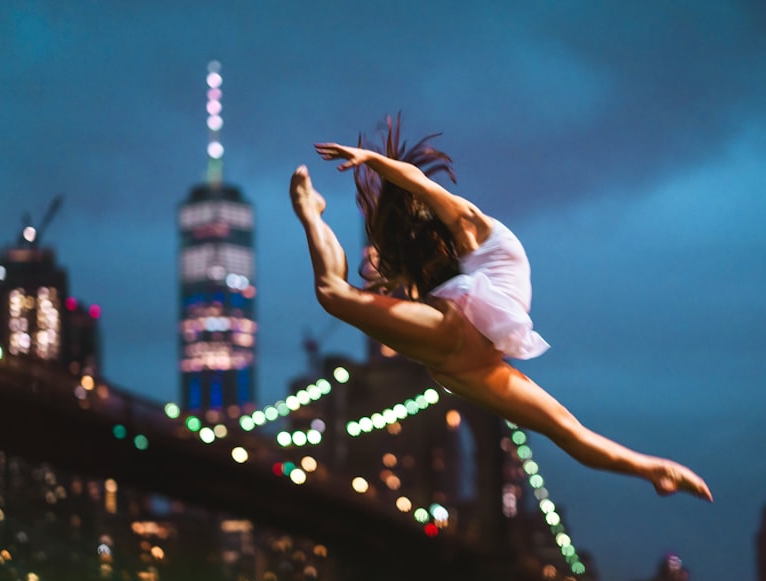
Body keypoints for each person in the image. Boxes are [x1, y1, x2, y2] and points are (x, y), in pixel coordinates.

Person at [289, 116, 712, 501]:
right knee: (332, 293)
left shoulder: (470, 223)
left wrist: (371, 159)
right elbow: (419, 190)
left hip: (467, 353)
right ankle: (312, 213)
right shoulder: (461, 270)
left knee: (566, 431)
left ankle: (655, 469)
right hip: (465, 356)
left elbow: (420, 183)